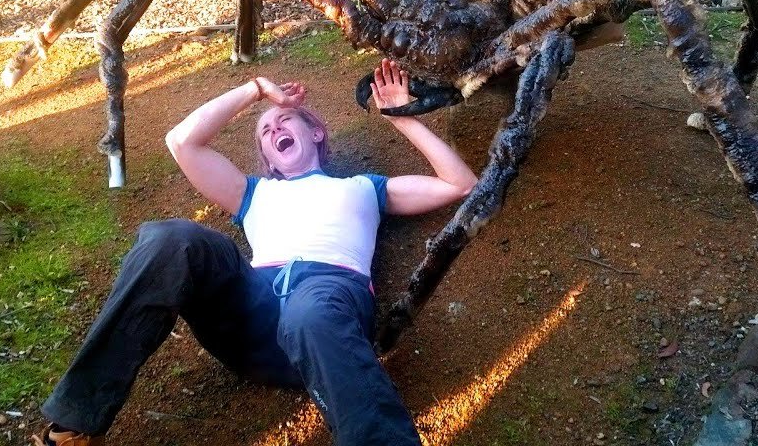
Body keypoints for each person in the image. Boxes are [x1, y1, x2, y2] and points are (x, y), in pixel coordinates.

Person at [32, 59, 478, 446]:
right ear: (267, 156)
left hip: (328, 306)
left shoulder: (364, 187)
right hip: (252, 320)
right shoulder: (253, 193)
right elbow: (182, 142)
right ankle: (75, 427)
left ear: (316, 132)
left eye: (284, 121)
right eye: (266, 131)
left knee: (310, 312)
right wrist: (256, 90)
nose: (274, 128)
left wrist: (400, 116)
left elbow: (460, 184)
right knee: (172, 238)